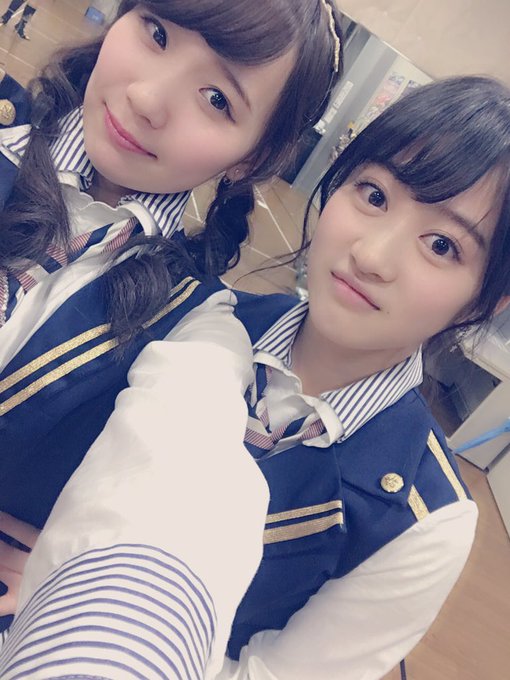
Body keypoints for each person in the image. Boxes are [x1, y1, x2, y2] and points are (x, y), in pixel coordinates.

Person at [3, 75, 509, 679]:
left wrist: (86, 603)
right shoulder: (183, 309)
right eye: (374, 195)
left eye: (442, 246)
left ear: (490, 299)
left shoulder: (425, 518)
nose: (372, 256)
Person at [0, 0, 342, 671]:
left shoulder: (199, 328)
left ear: (252, 158)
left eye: (217, 99)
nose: (149, 99)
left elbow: (184, 491)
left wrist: (92, 604)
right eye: (155, 33)